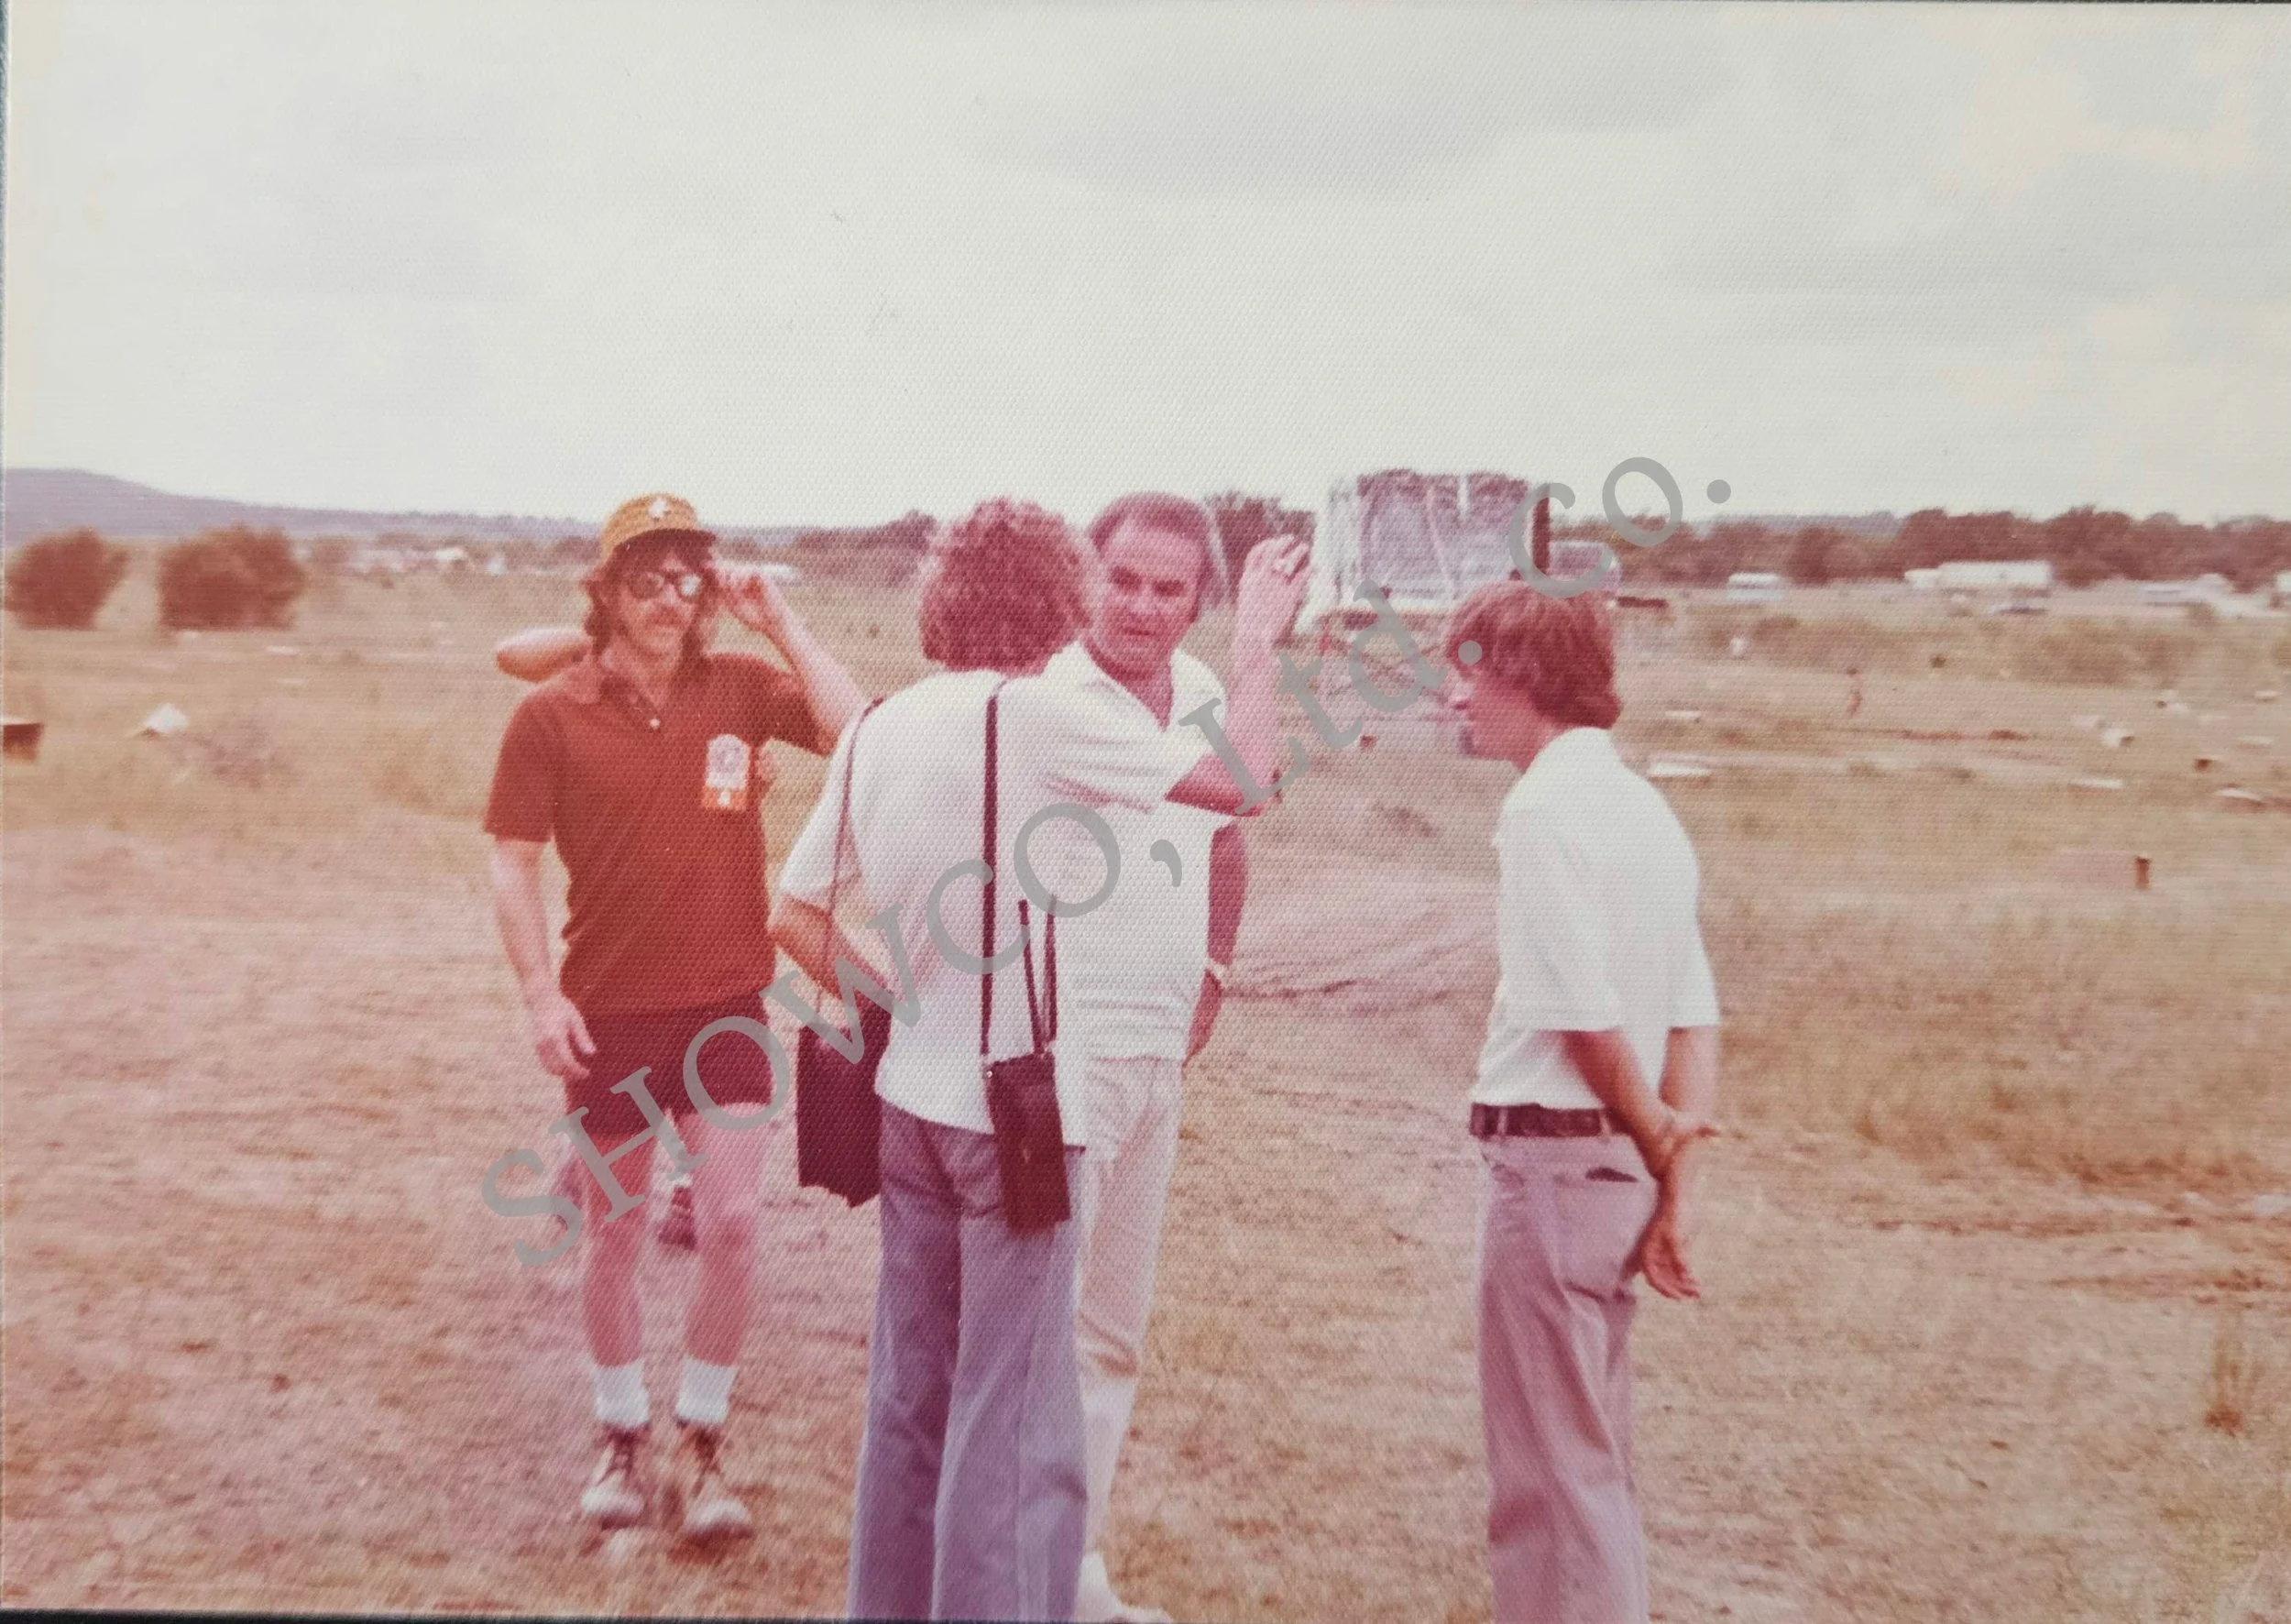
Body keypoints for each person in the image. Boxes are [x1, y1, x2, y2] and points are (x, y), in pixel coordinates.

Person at [769, 499, 1309, 1623]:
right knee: (1014, 1410)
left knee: (911, 1391)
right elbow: (1244, 782)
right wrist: (1257, 642)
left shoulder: (882, 726)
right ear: (1061, 597)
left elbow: (795, 914)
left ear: (942, 594)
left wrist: (907, 1003)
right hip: (1023, 1116)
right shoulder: (1039, 716)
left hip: (910, 1104)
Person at [484, 492, 865, 1539]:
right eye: (644, 577)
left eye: (686, 575)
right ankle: (620, 1437)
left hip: (725, 1011)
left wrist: (778, 622)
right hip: (608, 1013)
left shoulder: (740, 688)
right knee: (612, 1234)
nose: (670, 595)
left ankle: (701, 1445)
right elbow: (511, 864)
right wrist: (538, 994)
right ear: (605, 589)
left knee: (733, 1224)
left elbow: (854, 728)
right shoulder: (550, 712)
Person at [1440, 581, 1722, 1624]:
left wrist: (1653, 1129)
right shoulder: (1644, 809)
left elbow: (1577, 1012)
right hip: (1613, 1179)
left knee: (1549, 1484)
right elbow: (1691, 1016)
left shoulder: (1544, 808)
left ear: (1519, 675)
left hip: (1555, 1169)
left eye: (1465, 671)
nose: (1452, 698)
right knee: (1591, 1469)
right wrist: (1672, 1184)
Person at [1054, 493, 1245, 1624]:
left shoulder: (1210, 694)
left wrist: (1215, 969)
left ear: (1195, 602)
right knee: (1034, 1326)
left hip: (1151, 1058)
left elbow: (1225, 835)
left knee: (1112, 1330)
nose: (1139, 605)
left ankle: (1074, 1571)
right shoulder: (1047, 693)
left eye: (1166, 587)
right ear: (1088, 576)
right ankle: (998, 1563)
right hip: (1052, 1058)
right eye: (1121, 577)